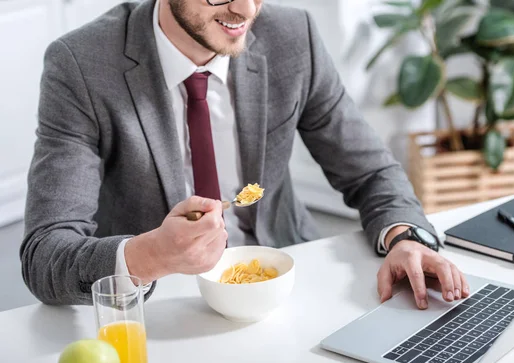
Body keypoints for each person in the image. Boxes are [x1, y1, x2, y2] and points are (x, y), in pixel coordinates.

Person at [20, 0, 470, 308]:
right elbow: (45, 255)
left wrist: (406, 237)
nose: (245, 10)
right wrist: (149, 257)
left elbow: (369, 171)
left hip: (284, 283)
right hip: (159, 305)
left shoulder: (292, 37)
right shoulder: (81, 65)